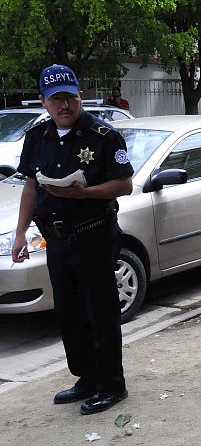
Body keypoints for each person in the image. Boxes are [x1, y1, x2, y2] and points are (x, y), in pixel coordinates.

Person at [12, 64, 134, 415]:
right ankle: (86, 377)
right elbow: (31, 185)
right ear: (44, 101)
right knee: (69, 313)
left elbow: (124, 184)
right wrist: (20, 234)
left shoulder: (103, 135)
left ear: (80, 96)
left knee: (101, 312)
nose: (64, 105)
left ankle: (111, 383)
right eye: (56, 100)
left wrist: (85, 194)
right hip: (57, 240)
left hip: (94, 234)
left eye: (69, 97)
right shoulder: (38, 136)